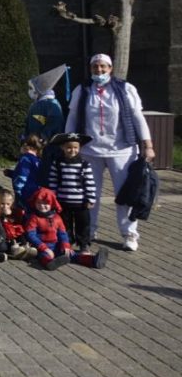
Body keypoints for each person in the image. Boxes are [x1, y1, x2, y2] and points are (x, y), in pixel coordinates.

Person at [64, 54, 154, 251]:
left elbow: (138, 117)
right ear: (91, 69)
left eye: (103, 67)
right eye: (95, 67)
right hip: (90, 150)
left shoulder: (125, 89)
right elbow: (72, 117)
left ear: (110, 68)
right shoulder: (83, 89)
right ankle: (90, 230)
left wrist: (148, 145)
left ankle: (129, 234)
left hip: (121, 150)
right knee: (89, 195)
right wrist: (69, 140)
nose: (99, 70)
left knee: (125, 195)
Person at [46, 132, 97, 252]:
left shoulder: (84, 164)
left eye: (75, 148)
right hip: (63, 201)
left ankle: (83, 244)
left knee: (83, 224)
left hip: (81, 202)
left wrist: (90, 198)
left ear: (79, 148)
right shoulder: (57, 163)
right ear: (62, 147)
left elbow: (89, 182)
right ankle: (67, 243)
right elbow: (53, 181)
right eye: (69, 147)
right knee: (65, 224)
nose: (72, 150)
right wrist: (53, 198)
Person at [25, 64, 67, 141]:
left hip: (45, 146)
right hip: (33, 144)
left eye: (31, 88)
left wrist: (42, 137)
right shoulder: (36, 104)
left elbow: (55, 123)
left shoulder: (52, 104)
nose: (30, 91)